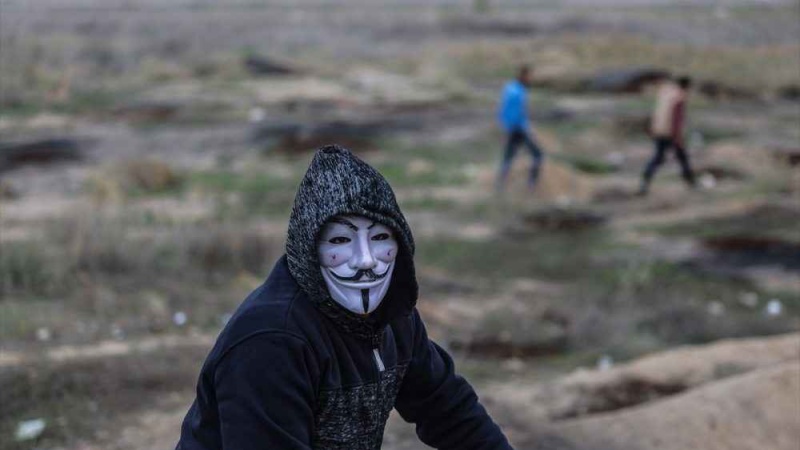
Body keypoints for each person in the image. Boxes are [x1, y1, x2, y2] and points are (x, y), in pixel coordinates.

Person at [176, 145, 514, 450]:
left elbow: (448, 408)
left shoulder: (393, 316)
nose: (366, 260)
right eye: (340, 240)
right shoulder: (271, 340)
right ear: (308, 249)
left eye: (380, 236)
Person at [638, 75, 697, 195]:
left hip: (659, 130)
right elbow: (676, 119)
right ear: (686, 86)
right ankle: (691, 183)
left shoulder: (666, 94)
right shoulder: (679, 97)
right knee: (681, 158)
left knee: (660, 158)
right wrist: (677, 136)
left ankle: (644, 184)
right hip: (670, 133)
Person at [496, 65, 545, 191]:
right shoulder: (519, 92)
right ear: (523, 76)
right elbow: (519, 112)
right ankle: (531, 185)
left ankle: (500, 185)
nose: (531, 79)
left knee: (508, 157)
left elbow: (503, 109)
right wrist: (526, 128)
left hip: (510, 127)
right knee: (538, 155)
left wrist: (505, 125)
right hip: (519, 128)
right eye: (529, 76)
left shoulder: (509, 88)